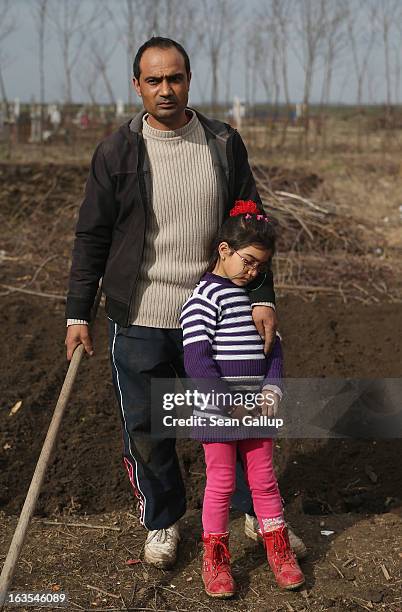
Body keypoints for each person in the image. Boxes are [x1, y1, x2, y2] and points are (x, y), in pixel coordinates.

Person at [65, 36, 305, 569]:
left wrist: (261, 297)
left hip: (220, 312)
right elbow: (92, 237)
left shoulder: (223, 142)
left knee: (237, 416)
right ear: (137, 86)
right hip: (142, 316)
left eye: (175, 78)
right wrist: (78, 312)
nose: (166, 89)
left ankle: (252, 511)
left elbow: (252, 225)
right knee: (149, 427)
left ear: (189, 80)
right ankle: (164, 521)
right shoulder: (116, 151)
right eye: (154, 80)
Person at [179, 201, 305, 597]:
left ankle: (279, 551)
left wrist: (271, 389)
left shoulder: (253, 299)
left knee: (265, 481)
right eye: (247, 262)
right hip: (220, 410)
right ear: (223, 250)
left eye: (259, 268)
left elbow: (274, 349)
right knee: (220, 482)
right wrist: (228, 403)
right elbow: (197, 361)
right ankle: (215, 559)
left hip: (257, 410)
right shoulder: (203, 299)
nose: (253, 272)